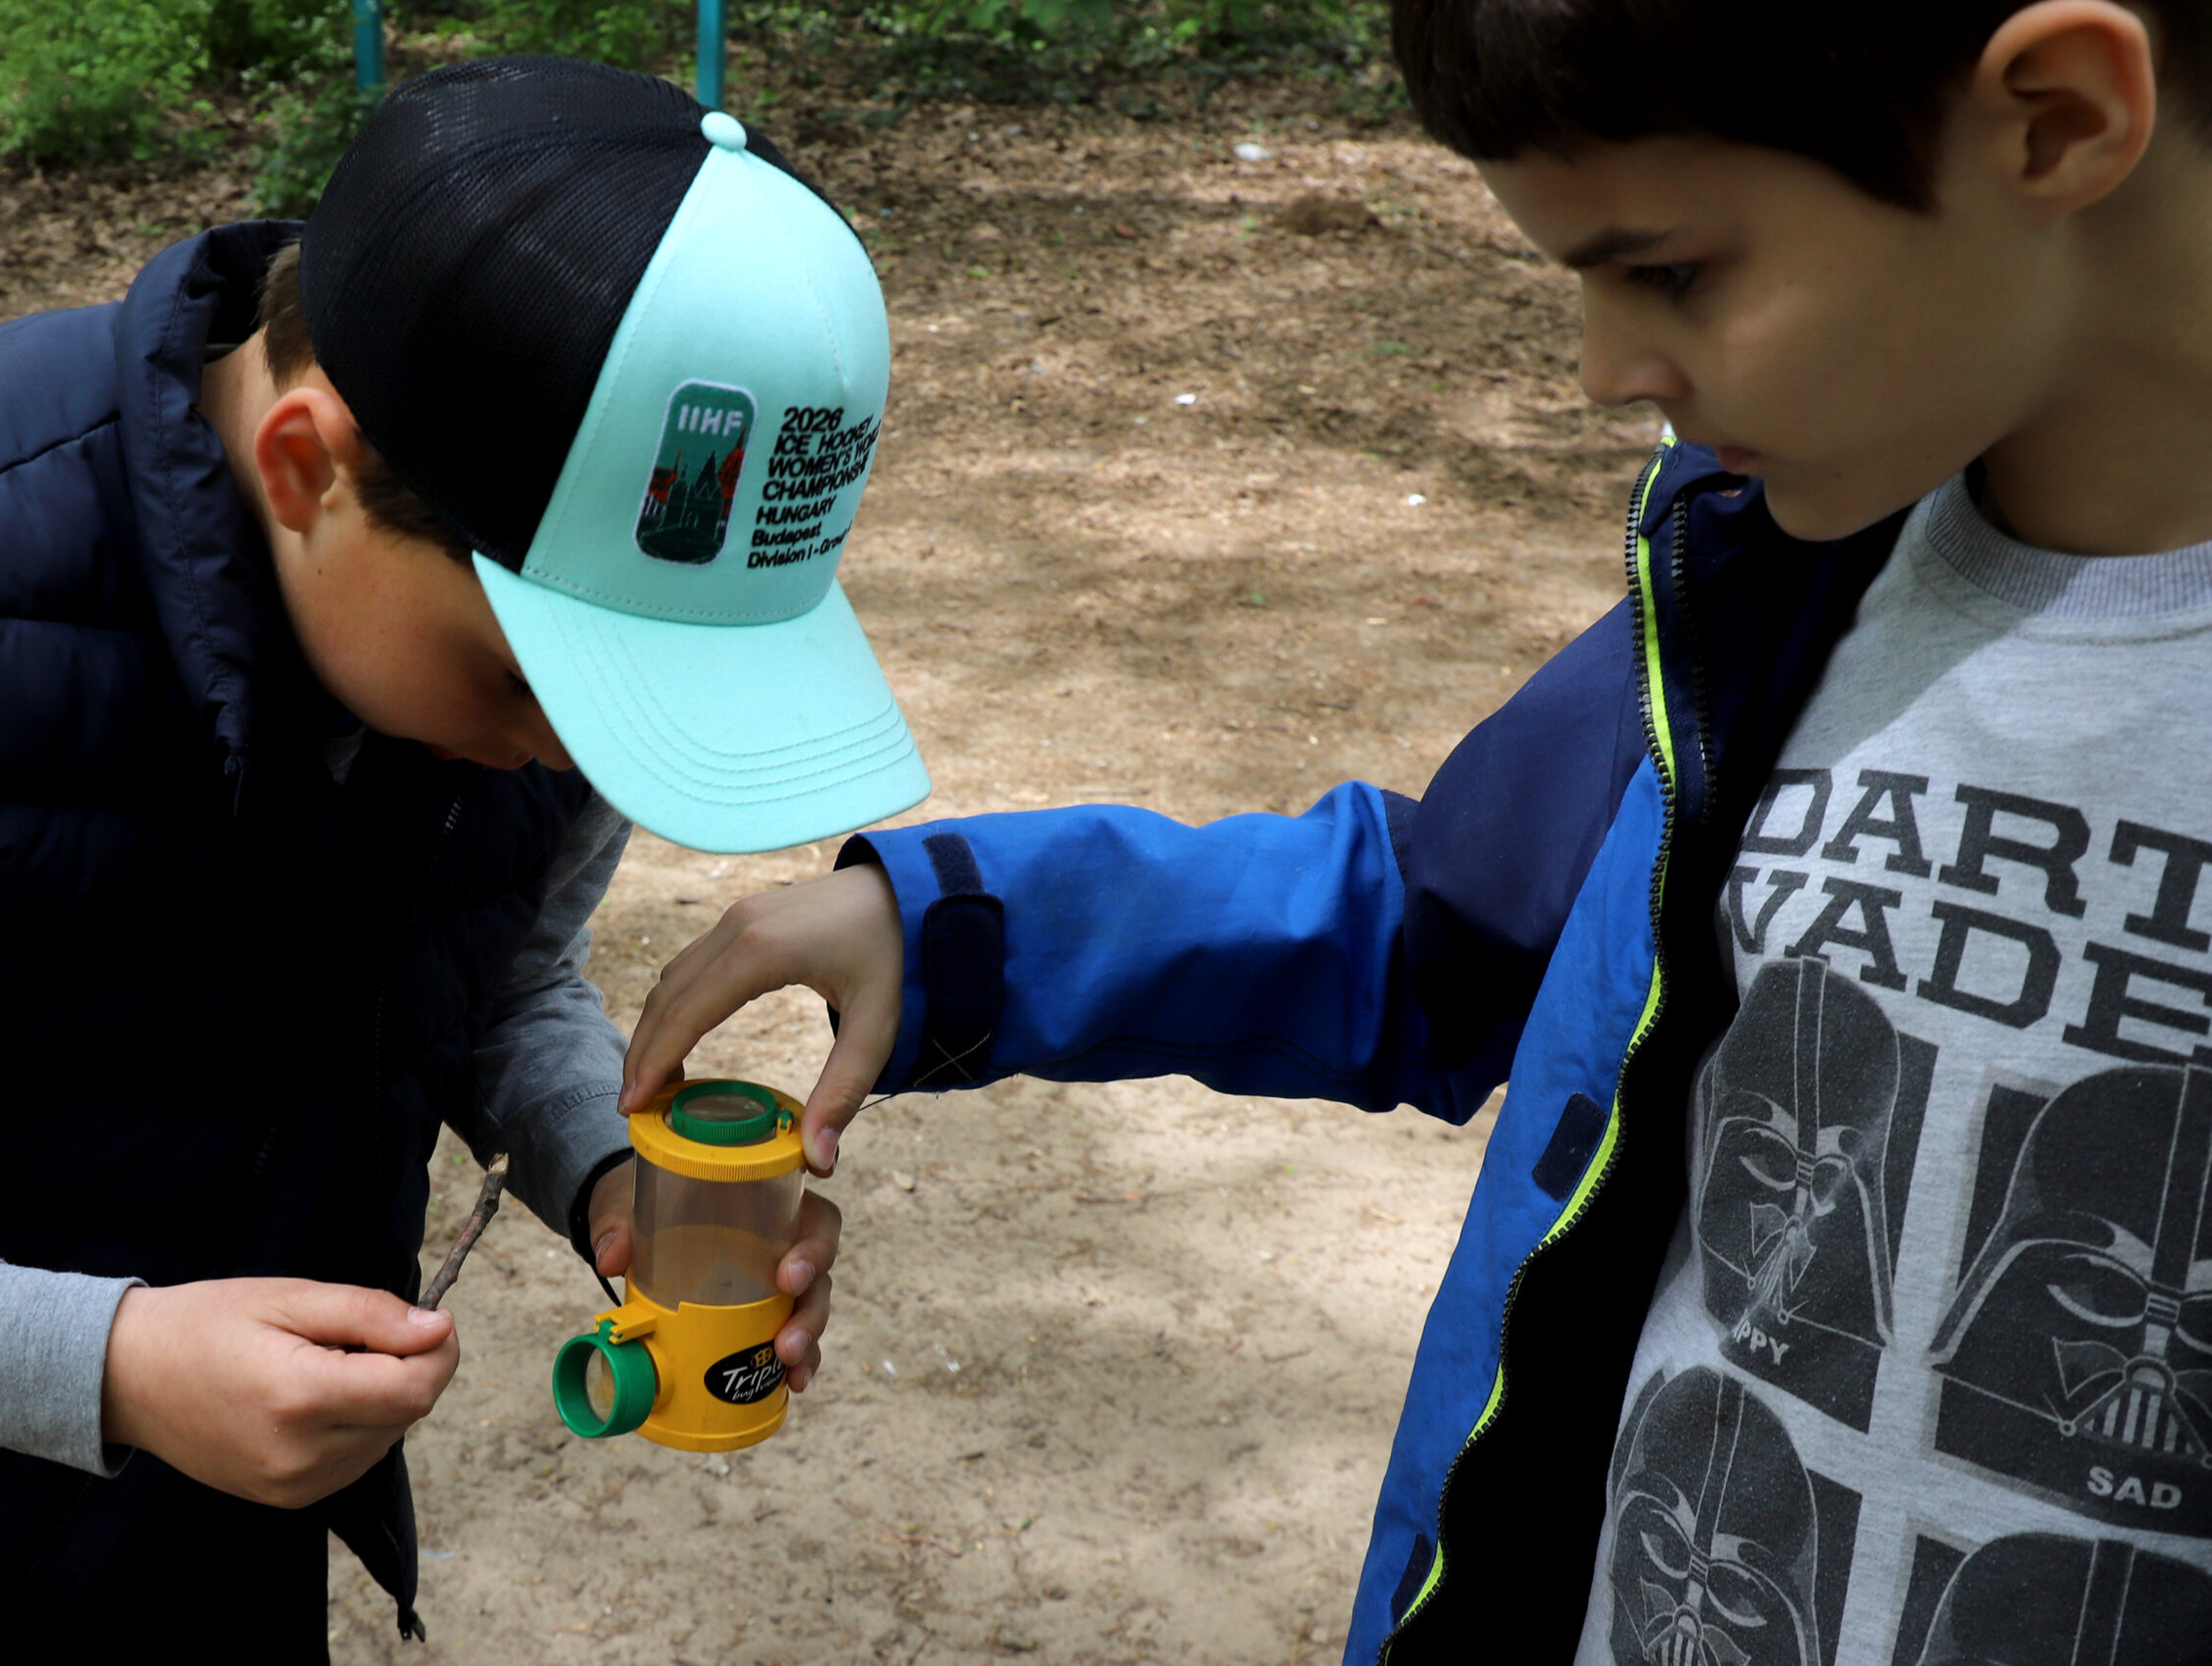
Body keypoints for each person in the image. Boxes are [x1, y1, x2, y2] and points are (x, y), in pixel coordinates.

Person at [620, 4, 2212, 1659]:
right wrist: (958, 929)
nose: (1604, 372)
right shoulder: (1771, 597)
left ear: (2055, 120)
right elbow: (1451, 917)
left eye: (1671, 272)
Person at [0, 56, 926, 1661]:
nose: (578, 757)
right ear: (304, 467)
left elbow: (494, 978)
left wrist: (618, 1177)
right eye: (542, 684)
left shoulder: (519, 644)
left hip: (205, 1559)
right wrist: (109, 1366)